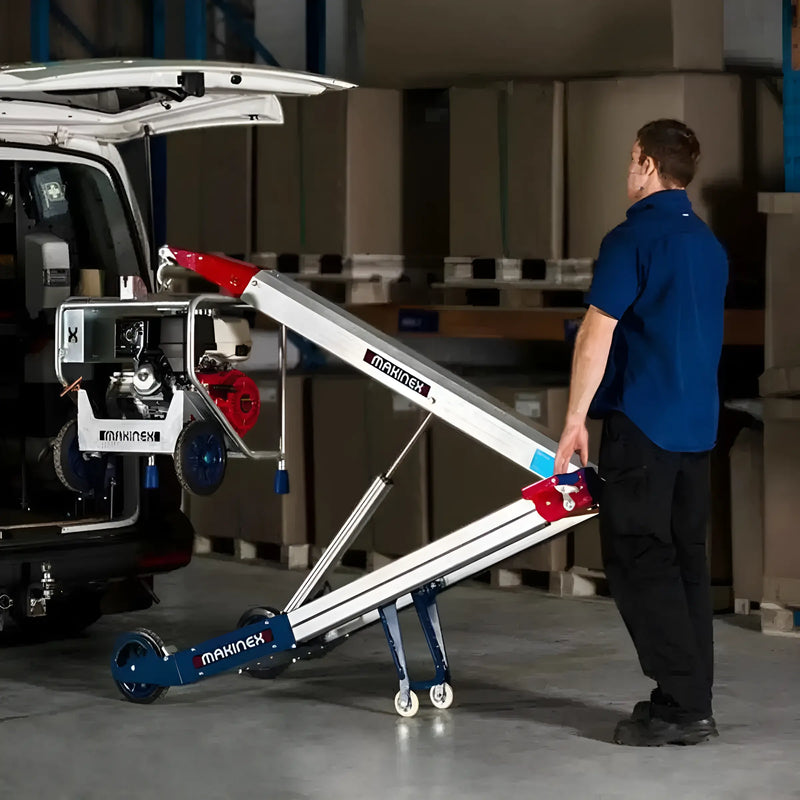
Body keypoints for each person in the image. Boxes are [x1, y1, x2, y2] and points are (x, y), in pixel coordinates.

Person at [554, 119, 728, 747]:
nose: (627, 172)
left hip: (644, 427)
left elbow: (596, 334)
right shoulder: (708, 244)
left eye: (632, 161)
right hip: (697, 430)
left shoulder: (632, 239)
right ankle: (689, 699)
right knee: (686, 564)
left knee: (636, 556)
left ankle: (681, 708)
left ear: (649, 166)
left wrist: (574, 421)